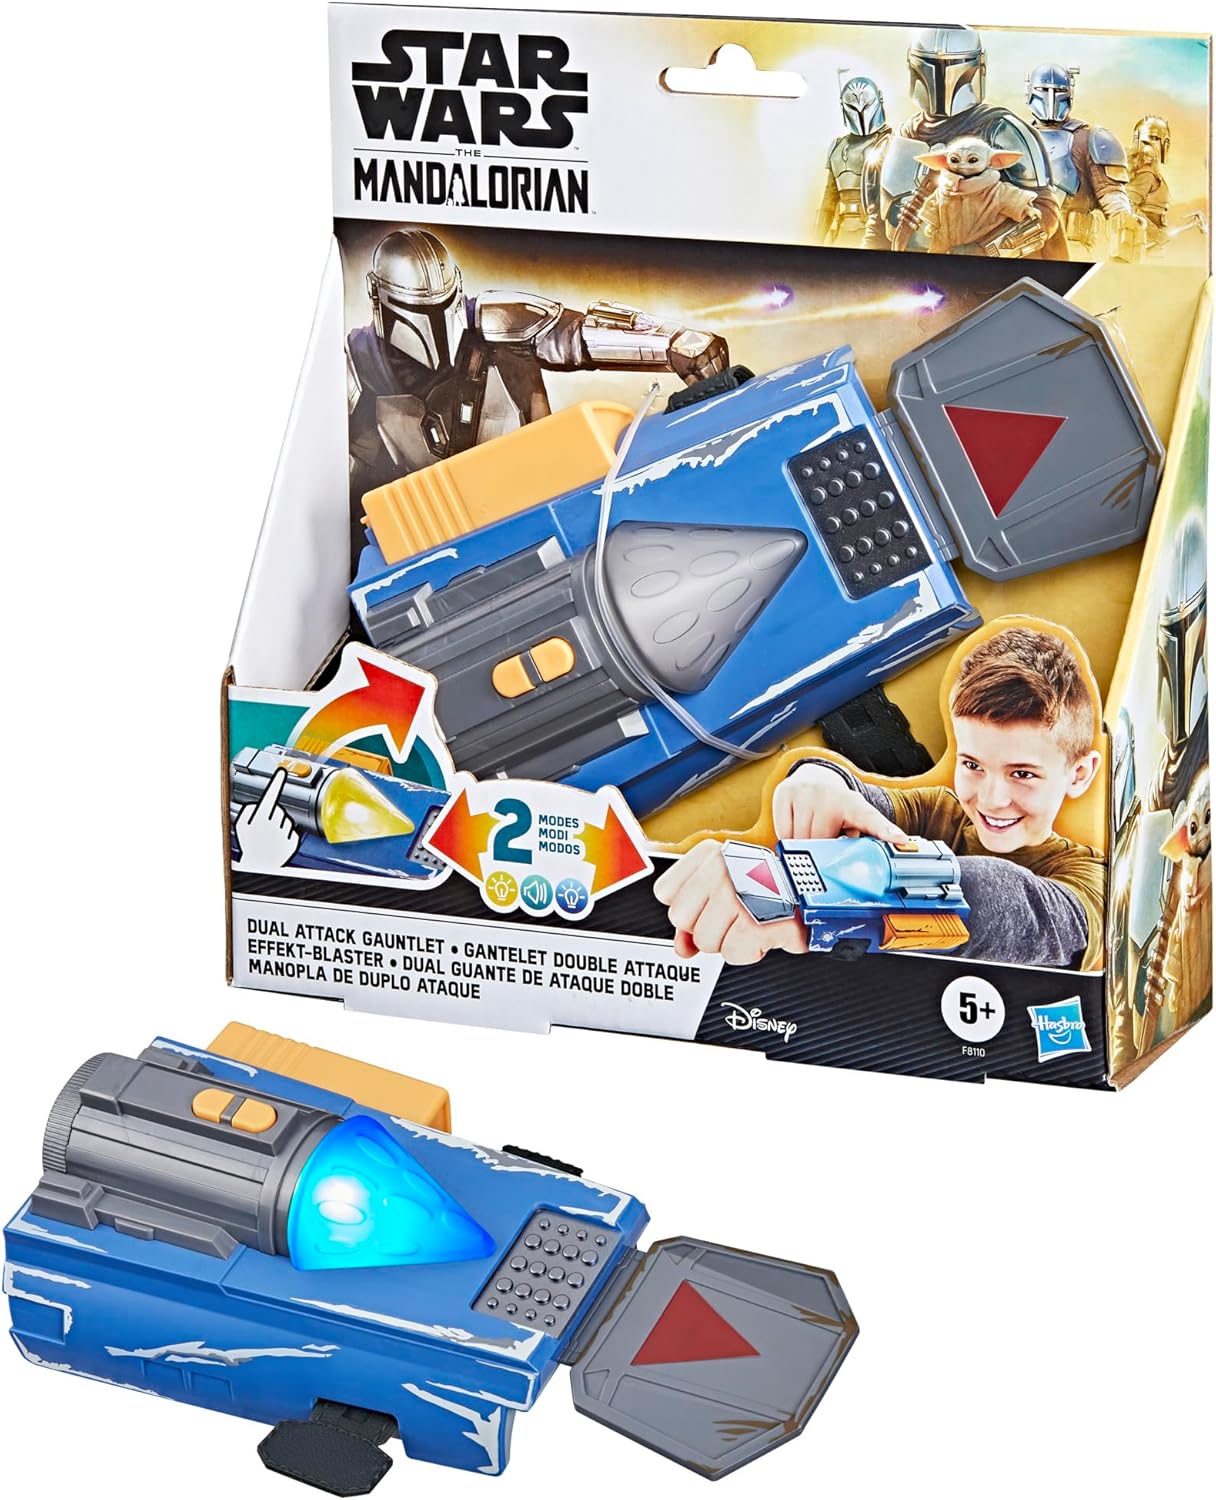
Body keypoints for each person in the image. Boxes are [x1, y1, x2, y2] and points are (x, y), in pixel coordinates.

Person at [655, 626, 1105, 970]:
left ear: (1079, 774)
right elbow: (868, 801)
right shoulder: (942, 813)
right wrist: (818, 779)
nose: (991, 798)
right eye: (973, 765)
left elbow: (1006, 903)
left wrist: (806, 897)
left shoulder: (1094, 883)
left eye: (1022, 774)